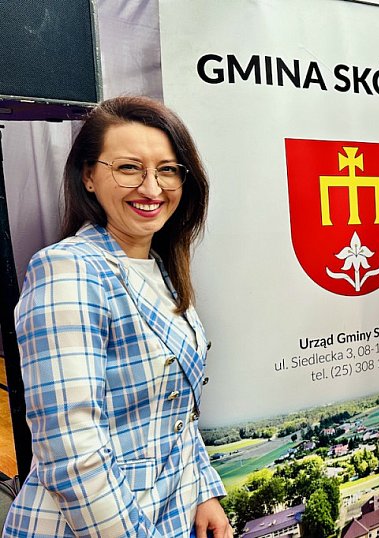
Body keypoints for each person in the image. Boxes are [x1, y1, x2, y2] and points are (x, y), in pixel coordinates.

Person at [3, 96, 232, 537]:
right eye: (129, 168)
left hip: (170, 511)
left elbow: (177, 409)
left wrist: (203, 490)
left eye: (168, 170)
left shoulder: (163, 268)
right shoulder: (69, 269)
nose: (152, 188)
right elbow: (72, 454)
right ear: (88, 176)